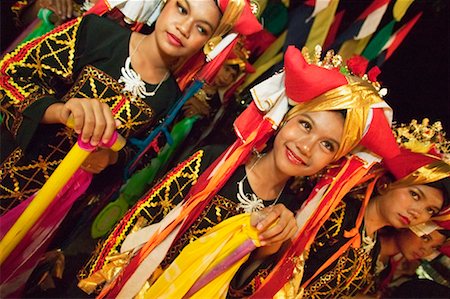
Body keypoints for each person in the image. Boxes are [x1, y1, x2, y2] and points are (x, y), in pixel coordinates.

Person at [77, 45, 395, 298]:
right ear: (284, 118)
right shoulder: (214, 162)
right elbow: (138, 219)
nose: (306, 147)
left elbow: (241, 289)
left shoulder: (291, 215)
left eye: (327, 145)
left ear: (334, 161)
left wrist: (264, 251)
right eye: (305, 125)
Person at [0, 0, 261, 296]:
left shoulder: (170, 102)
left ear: (209, 41)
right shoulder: (95, 31)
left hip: (48, 215)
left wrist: (109, 159)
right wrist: (60, 111)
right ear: (164, 5)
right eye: (182, 8)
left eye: (201, 28)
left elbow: (130, 167)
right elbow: (10, 75)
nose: (184, 28)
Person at [257, 148, 450, 299]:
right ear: (386, 184)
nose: (418, 212)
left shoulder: (373, 249)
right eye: (415, 195)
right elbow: (272, 264)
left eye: (430, 210)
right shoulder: (335, 210)